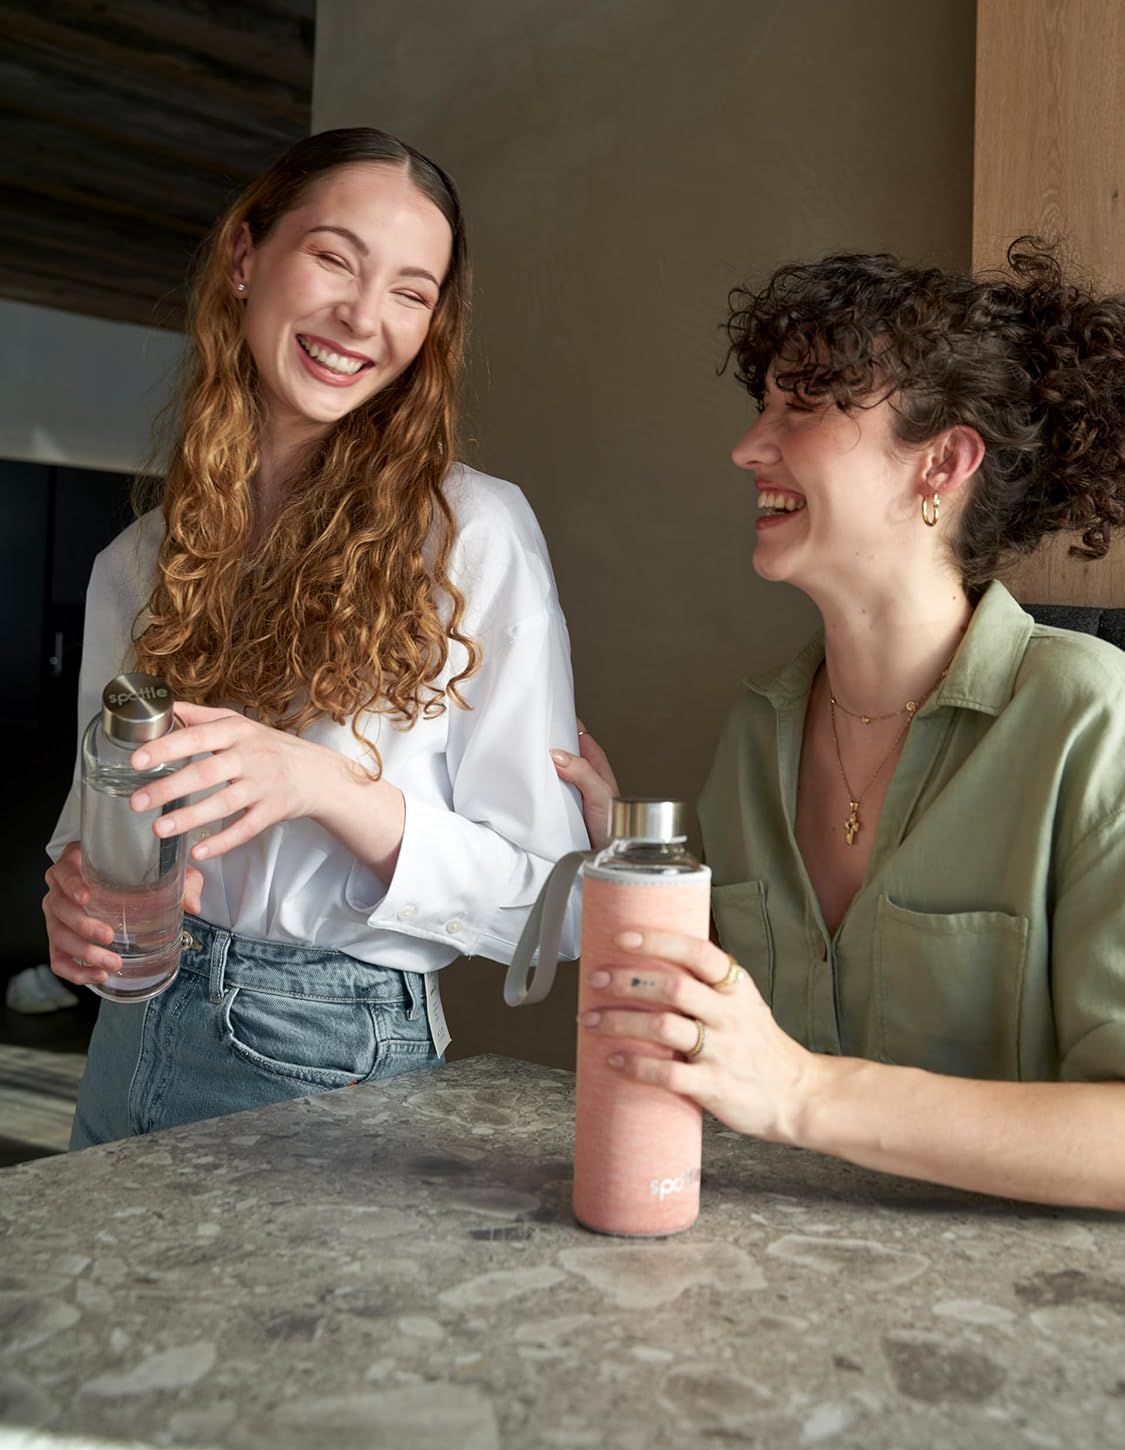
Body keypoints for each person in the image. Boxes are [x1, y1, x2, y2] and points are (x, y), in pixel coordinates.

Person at [554, 241, 1125, 1210]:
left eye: (805, 406)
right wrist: (637, 868)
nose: (748, 447)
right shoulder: (755, 731)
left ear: (942, 461)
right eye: (764, 405)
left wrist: (804, 1093)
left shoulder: (1091, 720)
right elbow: (728, 1044)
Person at [44, 127, 586, 1148]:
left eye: (410, 292)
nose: (363, 317)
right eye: (335, 258)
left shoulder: (472, 537)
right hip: (126, 1044)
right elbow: (96, 827)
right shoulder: (136, 562)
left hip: (331, 1054)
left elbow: (553, 908)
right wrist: (76, 896)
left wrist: (324, 786)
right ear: (244, 257)